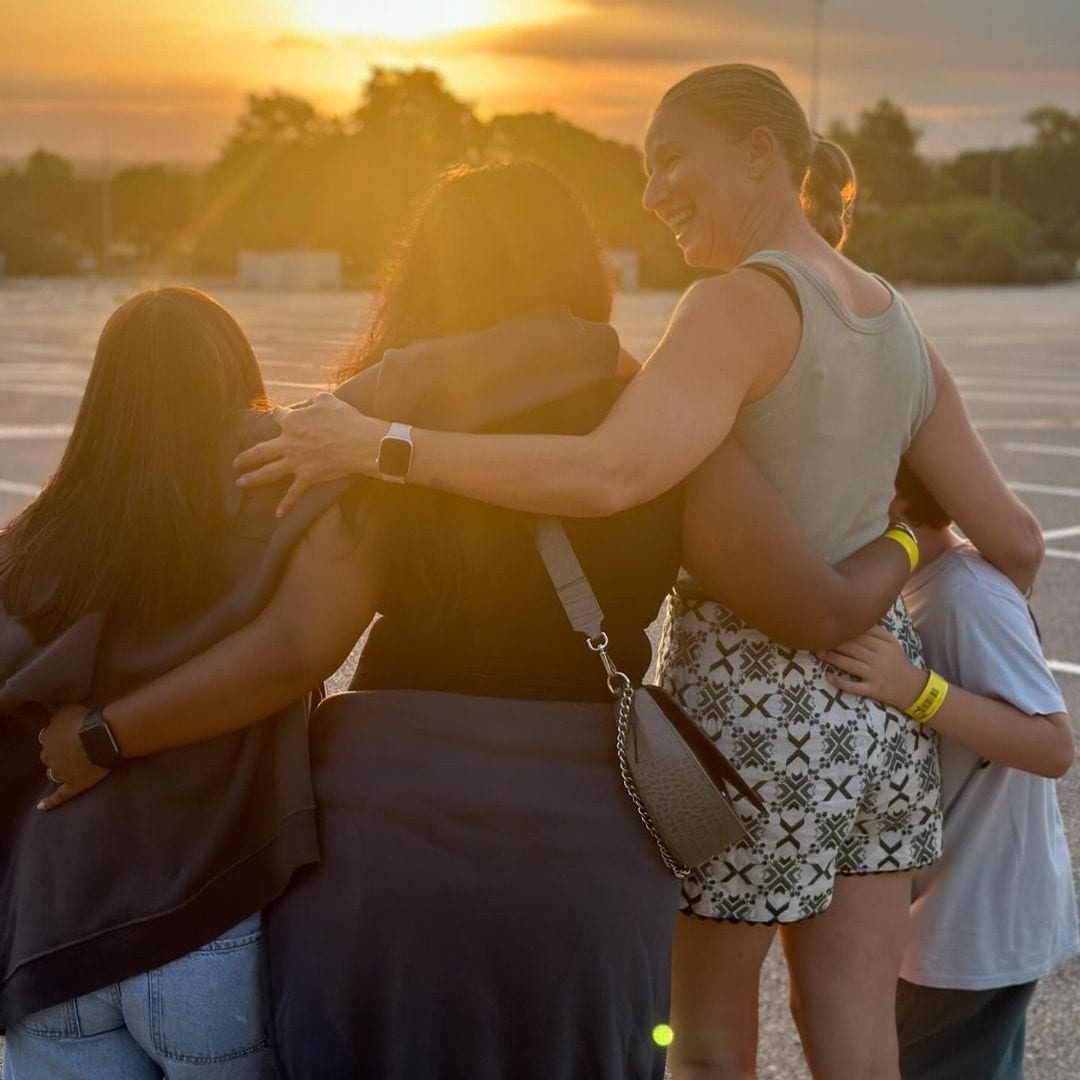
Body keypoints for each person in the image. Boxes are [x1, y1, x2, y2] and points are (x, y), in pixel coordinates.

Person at [234, 65, 1044, 1079]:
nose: (653, 193)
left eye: (671, 161)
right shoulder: (894, 318)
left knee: (708, 1045)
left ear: (760, 155)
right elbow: (1015, 543)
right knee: (856, 1031)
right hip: (879, 710)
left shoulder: (736, 305)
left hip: (753, 718)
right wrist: (912, 548)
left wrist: (379, 444)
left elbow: (610, 472)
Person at [35, 161, 916, 1080]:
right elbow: (815, 606)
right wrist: (906, 540)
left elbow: (296, 647)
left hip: (386, 822)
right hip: (586, 835)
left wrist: (105, 735)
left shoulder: (374, 423)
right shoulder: (655, 424)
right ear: (579, 268)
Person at [0, 287, 364, 1078]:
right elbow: (295, 649)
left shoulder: (40, 539)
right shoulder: (283, 499)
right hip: (212, 918)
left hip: (57, 932)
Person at [821, 462, 1076, 1080]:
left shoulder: (969, 595)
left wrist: (916, 690)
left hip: (975, 920)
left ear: (894, 500)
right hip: (948, 918)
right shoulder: (922, 585)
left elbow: (1052, 745)